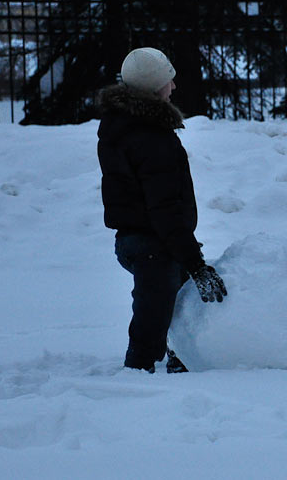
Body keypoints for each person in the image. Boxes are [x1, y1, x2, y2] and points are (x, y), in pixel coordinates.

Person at [97, 47, 227, 373]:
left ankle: (181, 360)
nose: (174, 87)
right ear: (155, 87)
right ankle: (139, 379)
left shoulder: (122, 124)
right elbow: (165, 209)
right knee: (152, 319)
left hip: (140, 239)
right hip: (153, 244)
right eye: (169, 80)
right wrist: (196, 265)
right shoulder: (151, 137)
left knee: (175, 304)